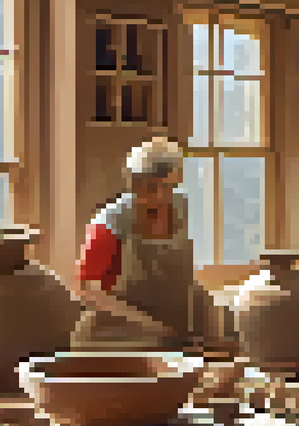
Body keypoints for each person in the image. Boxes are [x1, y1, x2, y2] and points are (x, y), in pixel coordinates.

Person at [73, 136, 214, 349]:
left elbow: (185, 280)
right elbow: (88, 292)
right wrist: (154, 327)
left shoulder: (181, 209)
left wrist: (206, 321)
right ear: (133, 182)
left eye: (166, 187)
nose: (159, 195)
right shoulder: (111, 222)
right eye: (149, 187)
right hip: (117, 334)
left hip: (174, 334)